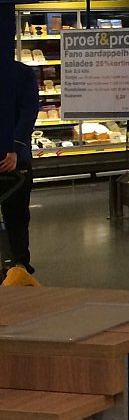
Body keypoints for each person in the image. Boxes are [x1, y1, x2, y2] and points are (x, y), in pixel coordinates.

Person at [0, 23, 40, 286]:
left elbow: (27, 113)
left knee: (16, 215)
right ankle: (19, 265)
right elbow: (28, 113)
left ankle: (19, 265)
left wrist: (14, 147)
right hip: (16, 159)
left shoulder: (21, 74)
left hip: (14, 160)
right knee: (16, 216)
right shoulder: (22, 73)